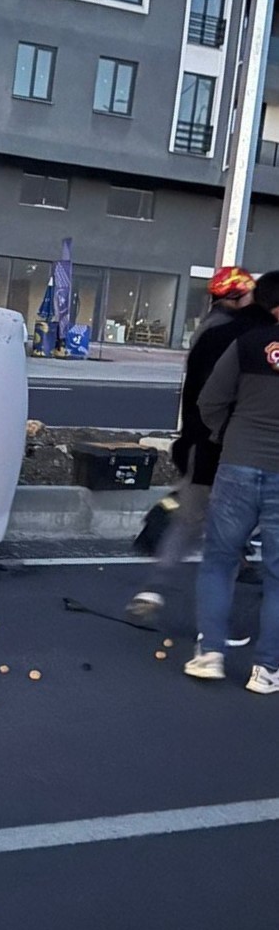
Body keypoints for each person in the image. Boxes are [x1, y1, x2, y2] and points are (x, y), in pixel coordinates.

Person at [126, 266, 265, 621]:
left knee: (189, 521)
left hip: (200, 448)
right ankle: (218, 623)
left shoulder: (207, 332)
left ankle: (154, 589)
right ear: (240, 296)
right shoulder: (251, 336)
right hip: (240, 449)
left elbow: (197, 399)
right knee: (234, 527)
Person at [184, 270, 279, 690]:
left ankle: (210, 654)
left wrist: (226, 435)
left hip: (238, 463)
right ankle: (267, 669)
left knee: (220, 561)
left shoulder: (248, 342)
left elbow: (210, 401)